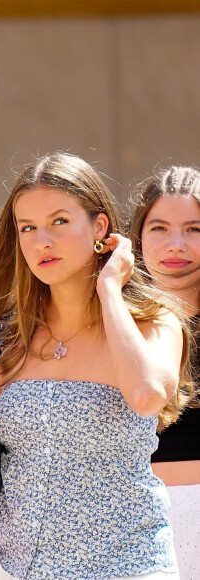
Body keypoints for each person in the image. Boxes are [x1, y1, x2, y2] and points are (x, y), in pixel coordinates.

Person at [0, 153, 193, 579]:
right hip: (16, 569)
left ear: (99, 228)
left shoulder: (155, 320)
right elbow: (15, 460)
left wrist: (110, 291)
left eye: (59, 221)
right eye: (28, 228)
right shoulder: (11, 338)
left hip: (126, 567)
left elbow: (148, 394)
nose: (42, 240)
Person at [130, 166, 200, 580]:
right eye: (159, 228)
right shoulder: (107, 327)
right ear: (138, 236)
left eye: (194, 229)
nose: (176, 245)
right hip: (127, 530)